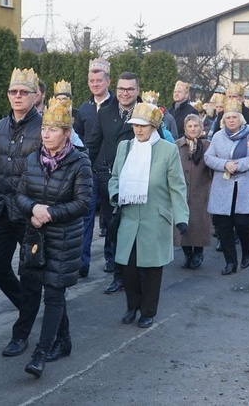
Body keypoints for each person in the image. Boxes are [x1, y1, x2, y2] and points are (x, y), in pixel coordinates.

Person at [15, 97, 92, 378]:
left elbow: (84, 203)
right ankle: (65, 340)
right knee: (43, 287)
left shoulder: (79, 163)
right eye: (44, 128)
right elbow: (21, 194)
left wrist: (51, 213)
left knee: (55, 293)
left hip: (64, 238)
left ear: (67, 134)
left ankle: (40, 354)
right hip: (36, 235)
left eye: (53, 129)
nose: (46, 133)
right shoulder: (33, 158)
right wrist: (33, 209)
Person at [0, 67, 43, 357]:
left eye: (23, 92)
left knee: (29, 272)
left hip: (29, 213)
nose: (18, 96)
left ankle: (21, 333)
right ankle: (28, 308)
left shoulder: (44, 127)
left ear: (35, 96)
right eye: (13, 92)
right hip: (2, 210)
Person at [109, 103, 188, 327]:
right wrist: (116, 195)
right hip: (129, 217)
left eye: (143, 126)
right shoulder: (124, 147)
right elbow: (114, 177)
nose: (139, 130)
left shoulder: (167, 149)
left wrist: (181, 217)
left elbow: (177, 186)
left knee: (152, 268)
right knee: (128, 266)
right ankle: (132, 305)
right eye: (135, 125)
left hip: (155, 216)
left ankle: (148, 311)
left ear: (154, 126)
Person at [86, 71, 141, 294]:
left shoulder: (146, 112)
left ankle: (139, 275)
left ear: (138, 91)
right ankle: (119, 276)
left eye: (129, 89)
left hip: (139, 180)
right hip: (111, 179)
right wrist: (80, 168)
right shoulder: (105, 113)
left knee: (137, 230)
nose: (124, 93)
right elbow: (92, 144)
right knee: (114, 228)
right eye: (121, 89)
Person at [205, 97, 249, 273]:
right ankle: (230, 261)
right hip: (223, 185)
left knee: (242, 223)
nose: (231, 120)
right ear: (223, 120)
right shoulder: (217, 136)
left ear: (241, 119)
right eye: (228, 118)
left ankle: (246, 252)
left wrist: (238, 164)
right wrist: (224, 164)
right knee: (223, 226)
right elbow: (208, 157)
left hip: (244, 184)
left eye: (234, 117)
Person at [74, 58, 113, 278]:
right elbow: (79, 139)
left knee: (109, 218)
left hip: (109, 170)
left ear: (108, 81)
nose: (95, 84)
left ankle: (110, 258)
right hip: (88, 171)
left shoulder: (116, 106)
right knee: (85, 217)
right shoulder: (84, 109)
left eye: (99, 80)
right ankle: (83, 262)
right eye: (91, 80)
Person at [173, 114, 212, 269]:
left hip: (200, 189)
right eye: (190, 126)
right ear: (185, 128)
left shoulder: (208, 145)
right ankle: (187, 253)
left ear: (201, 128)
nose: (193, 129)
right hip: (181, 190)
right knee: (183, 223)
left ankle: (198, 253)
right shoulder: (177, 145)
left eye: (196, 126)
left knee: (199, 223)